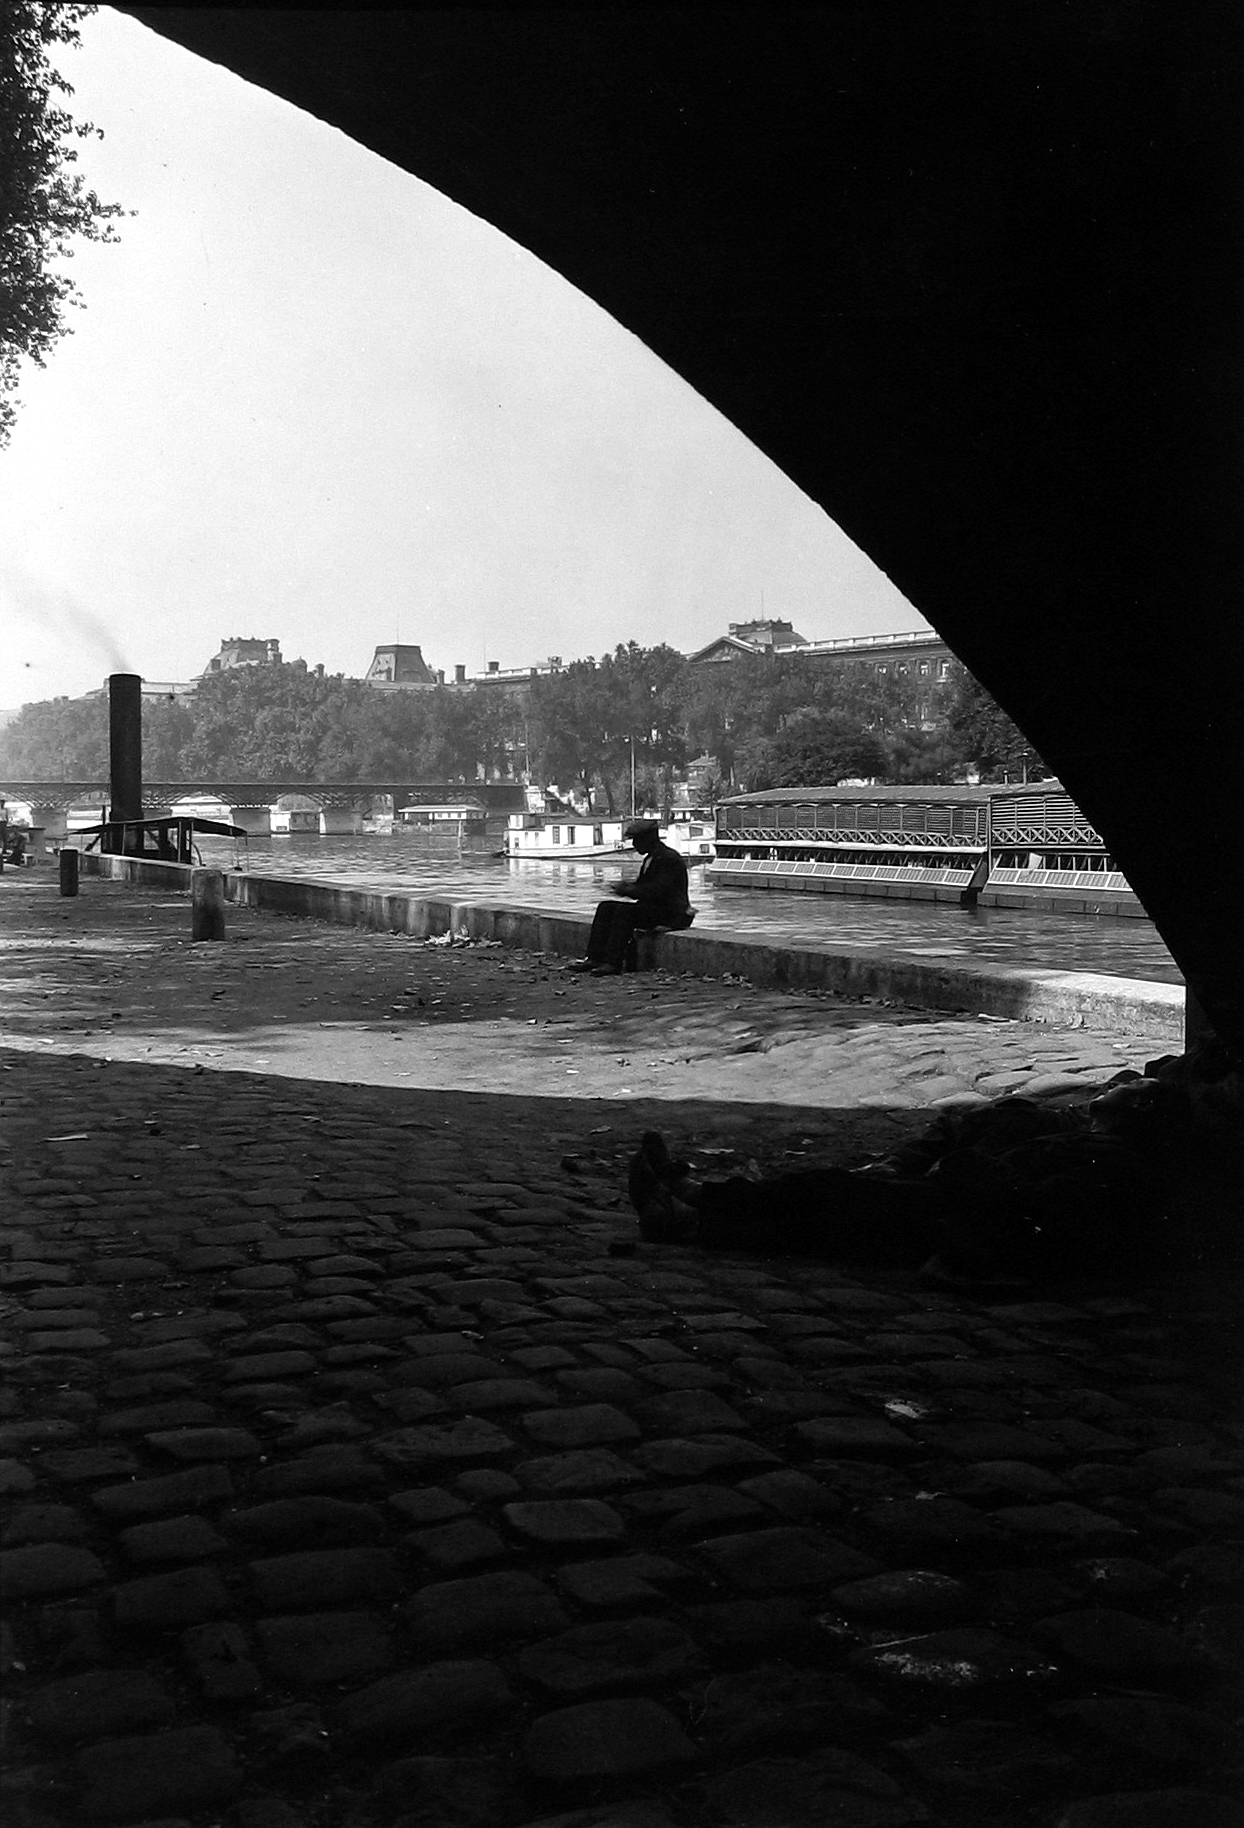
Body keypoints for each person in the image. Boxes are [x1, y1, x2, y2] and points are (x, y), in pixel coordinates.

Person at [626, 1076, 1186, 1284]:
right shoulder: (1086, 1137)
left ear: (1137, 1112)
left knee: (835, 1199)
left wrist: (967, 1167)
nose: (1121, 1082)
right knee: (833, 1201)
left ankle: (693, 1209)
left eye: (1133, 1089)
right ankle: (694, 1207)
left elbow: (1035, 1206)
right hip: (959, 1202)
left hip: (967, 1221)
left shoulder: (1110, 1160)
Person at [566, 819, 695, 977]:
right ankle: (594, 957)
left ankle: (614, 962)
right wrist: (628, 887)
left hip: (672, 913)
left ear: (649, 839)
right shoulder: (652, 858)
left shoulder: (668, 859)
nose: (634, 844)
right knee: (605, 907)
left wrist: (629, 890)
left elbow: (657, 891)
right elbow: (645, 887)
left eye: (637, 840)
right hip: (657, 908)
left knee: (624, 912)